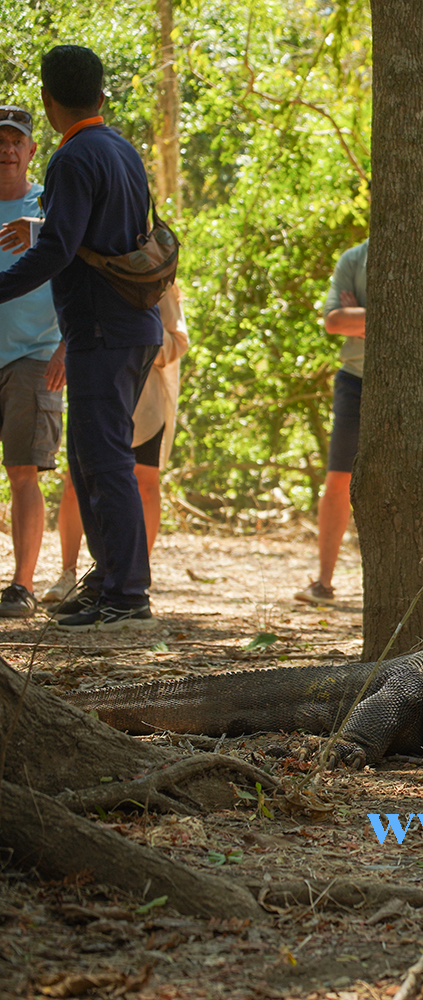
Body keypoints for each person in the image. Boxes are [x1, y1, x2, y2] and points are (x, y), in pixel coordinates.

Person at [0, 46, 162, 632]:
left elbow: (60, 250)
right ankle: (109, 579)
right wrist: (46, 225)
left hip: (103, 329)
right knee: (93, 458)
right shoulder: (121, 149)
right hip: (130, 326)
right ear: (100, 93)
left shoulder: (71, 159)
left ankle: (127, 595)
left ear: (48, 102)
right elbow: (110, 230)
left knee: (105, 460)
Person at [293, 239, 423, 606]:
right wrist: (397, 314)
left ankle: (416, 589)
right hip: (354, 380)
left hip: (409, 379)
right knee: (338, 481)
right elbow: (333, 321)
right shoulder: (353, 258)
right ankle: (324, 583)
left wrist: (361, 315)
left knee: (414, 481)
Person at [44, 284, 189, 603]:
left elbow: (178, 341)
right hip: (98, 390)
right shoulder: (93, 278)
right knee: (76, 480)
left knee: (145, 484)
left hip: (146, 403)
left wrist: (132, 335)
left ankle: (133, 573)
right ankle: (68, 573)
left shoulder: (160, 286)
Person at [0, 105, 62, 618]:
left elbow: (81, 268)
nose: (7, 150)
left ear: (31, 150)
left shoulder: (52, 206)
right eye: (0, 141)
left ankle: (21, 586)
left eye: (17, 141)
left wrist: (68, 344)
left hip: (35, 354)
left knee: (23, 470)